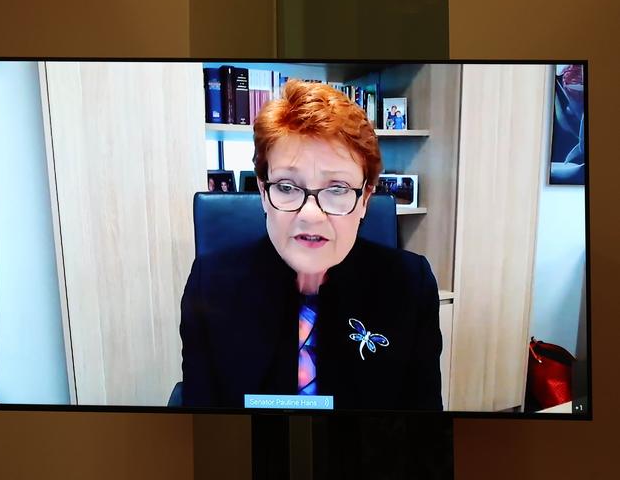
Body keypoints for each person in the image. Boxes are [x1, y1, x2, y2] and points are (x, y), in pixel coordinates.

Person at [180, 79, 442, 411]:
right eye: (287, 186)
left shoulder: (410, 284)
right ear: (263, 192)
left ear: (365, 199)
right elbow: (204, 428)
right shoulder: (211, 285)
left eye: (337, 188)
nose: (311, 215)